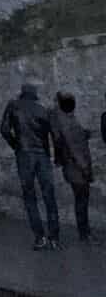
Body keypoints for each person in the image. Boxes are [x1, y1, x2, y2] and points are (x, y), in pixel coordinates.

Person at [0, 80, 60, 250]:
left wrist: (16, 146)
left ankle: (39, 237)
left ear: (22, 93)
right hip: (42, 156)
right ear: (35, 95)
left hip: (24, 155)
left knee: (29, 197)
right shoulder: (43, 110)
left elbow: (4, 130)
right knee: (49, 196)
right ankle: (54, 238)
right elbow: (55, 136)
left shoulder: (13, 106)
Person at [49, 91, 92, 243]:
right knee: (81, 201)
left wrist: (83, 134)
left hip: (72, 167)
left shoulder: (65, 121)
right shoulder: (67, 123)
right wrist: (85, 168)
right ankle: (84, 234)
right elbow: (74, 148)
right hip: (77, 169)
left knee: (81, 200)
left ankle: (85, 233)